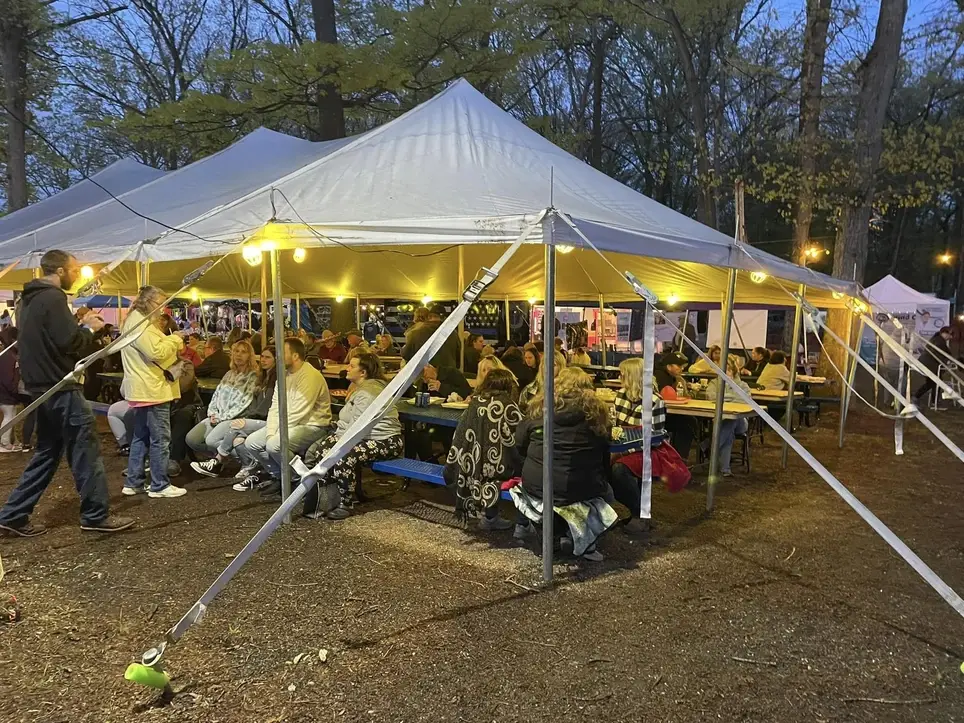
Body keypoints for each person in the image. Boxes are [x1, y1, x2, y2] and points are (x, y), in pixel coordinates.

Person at [0, 250, 134, 536]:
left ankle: (12, 515)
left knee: (47, 452)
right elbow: (70, 343)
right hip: (60, 385)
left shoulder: (27, 301)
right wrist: (91, 330)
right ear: (60, 271)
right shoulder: (53, 298)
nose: (77, 275)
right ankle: (95, 515)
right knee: (85, 450)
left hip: (40, 387)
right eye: (74, 270)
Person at [511, 367, 616, 561]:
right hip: (583, 485)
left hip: (538, 483)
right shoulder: (597, 414)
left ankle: (552, 534)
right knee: (607, 494)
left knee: (545, 490)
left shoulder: (539, 408)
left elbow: (519, 444)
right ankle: (586, 542)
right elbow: (604, 446)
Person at [301, 353, 404, 518]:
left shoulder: (368, 393)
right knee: (323, 449)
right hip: (366, 438)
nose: (347, 368)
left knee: (344, 455)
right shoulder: (362, 388)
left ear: (363, 372)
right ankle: (328, 497)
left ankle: (346, 503)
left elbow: (357, 430)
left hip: (386, 441)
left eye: (352, 366)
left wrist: (337, 438)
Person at [238, 338, 332, 496]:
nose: (278, 356)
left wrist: (275, 434)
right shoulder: (284, 375)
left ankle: (297, 479)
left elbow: (299, 411)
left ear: (295, 356)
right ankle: (282, 477)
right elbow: (275, 406)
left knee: (274, 445)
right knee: (252, 442)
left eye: (283, 352)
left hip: (313, 425)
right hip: (289, 423)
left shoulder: (310, 376)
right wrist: (271, 432)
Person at [120, 286, 188, 499]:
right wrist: (175, 339)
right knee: (160, 438)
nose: (163, 308)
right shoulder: (141, 324)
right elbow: (156, 352)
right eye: (160, 303)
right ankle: (159, 485)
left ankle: (134, 482)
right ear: (149, 301)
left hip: (143, 387)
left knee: (141, 436)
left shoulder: (134, 320)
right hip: (152, 388)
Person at [444, 368, 522, 530]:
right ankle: (523, 524)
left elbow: (460, 435)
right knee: (526, 465)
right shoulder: (507, 405)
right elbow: (519, 436)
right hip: (497, 468)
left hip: (469, 465)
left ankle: (491, 517)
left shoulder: (475, 402)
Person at [186, 340, 261, 474]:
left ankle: (250, 459)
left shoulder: (253, 376)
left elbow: (244, 403)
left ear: (249, 356)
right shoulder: (229, 374)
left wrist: (221, 418)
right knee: (192, 439)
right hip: (217, 415)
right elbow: (216, 396)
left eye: (243, 352)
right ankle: (220, 459)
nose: (239, 355)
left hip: (235, 418)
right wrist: (212, 413)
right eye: (236, 351)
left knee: (211, 440)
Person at [610, 358, 668, 530]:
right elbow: (616, 426)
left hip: (647, 450)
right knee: (596, 465)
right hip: (621, 446)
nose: (619, 377)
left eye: (623, 374)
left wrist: (622, 451)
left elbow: (655, 437)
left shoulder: (655, 401)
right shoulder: (620, 395)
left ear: (633, 376)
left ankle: (639, 514)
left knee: (619, 470)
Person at [225, 347, 279, 489]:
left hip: (269, 420)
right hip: (256, 417)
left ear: (276, 360)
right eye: (262, 357)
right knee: (237, 440)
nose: (263, 360)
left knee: (235, 427)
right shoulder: (262, 377)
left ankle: (218, 460)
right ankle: (251, 468)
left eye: (268, 357)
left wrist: (248, 418)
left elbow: (266, 407)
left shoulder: (276, 378)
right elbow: (254, 403)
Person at [705, 356, 751, 477]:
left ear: (734, 371)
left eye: (728, 370)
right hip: (722, 421)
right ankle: (725, 469)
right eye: (722, 370)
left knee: (732, 420)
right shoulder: (714, 383)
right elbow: (711, 396)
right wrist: (732, 397)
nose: (725, 373)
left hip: (741, 422)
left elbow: (745, 400)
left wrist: (723, 397)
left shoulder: (743, 385)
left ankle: (711, 449)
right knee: (729, 428)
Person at [0, 327, 35, 453]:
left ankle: (11, 441)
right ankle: (4, 443)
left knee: (11, 416)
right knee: (9, 417)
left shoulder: (8, 354)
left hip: (7, 393)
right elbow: (8, 379)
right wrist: (14, 391)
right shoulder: (8, 356)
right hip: (6, 394)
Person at [655, 351, 695, 460]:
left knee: (689, 421)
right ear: (669, 366)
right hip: (657, 418)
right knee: (688, 424)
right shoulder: (661, 377)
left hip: (663, 414)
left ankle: (677, 457)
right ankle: (679, 459)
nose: (681, 369)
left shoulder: (671, 376)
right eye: (679, 366)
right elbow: (667, 398)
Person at [401, 303, 460, 369]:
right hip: (449, 371)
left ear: (429, 317)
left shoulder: (416, 333)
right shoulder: (453, 333)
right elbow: (458, 357)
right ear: (444, 318)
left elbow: (406, 355)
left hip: (425, 372)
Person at [913, 326, 952, 405]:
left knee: (932, 383)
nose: (950, 337)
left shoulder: (937, 339)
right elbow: (936, 353)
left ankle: (926, 399)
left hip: (928, 364)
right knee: (936, 382)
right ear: (944, 333)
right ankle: (932, 401)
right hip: (930, 365)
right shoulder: (939, 341)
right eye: (950, 335)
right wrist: (946, 361)